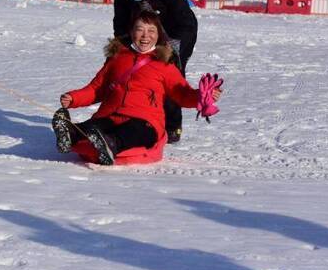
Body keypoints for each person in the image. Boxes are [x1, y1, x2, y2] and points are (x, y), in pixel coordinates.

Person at [53, 10, 222, 165]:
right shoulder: (118, 58)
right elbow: (97, 88)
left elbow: (181, 93)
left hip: (145, 121)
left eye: (151, 31)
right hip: (112, 113)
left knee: (136, 131)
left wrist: (201, 96)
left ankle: (111, 144)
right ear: (132, 31)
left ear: (159, 35)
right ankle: (71, 133)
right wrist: (74, 98)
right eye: (140, 29)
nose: (145, 36)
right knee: (95, 125)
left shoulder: (164, 65)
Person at [113, 0, 197, 144]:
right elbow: (120, 24)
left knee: (170, 74)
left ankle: (173, 126)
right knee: (136, 73)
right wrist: (123, 48)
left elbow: (185, 23)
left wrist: (171, 49)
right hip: (142, 32)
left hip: (176, 33)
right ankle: (137, 117)